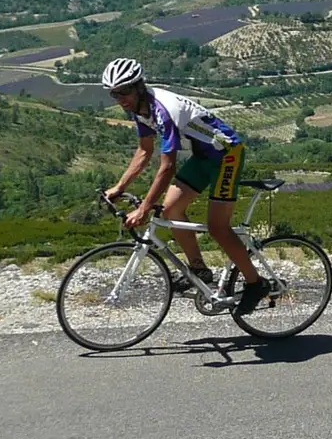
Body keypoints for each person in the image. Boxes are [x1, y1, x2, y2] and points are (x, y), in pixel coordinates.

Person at [99, 58, 268, 313]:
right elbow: (145, 151)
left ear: (139, 86)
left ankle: (256, 283)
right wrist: (119, 186)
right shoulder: (138, 107)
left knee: (218, 227)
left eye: (125, 91)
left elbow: (167, 167)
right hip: (204, 156)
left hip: (227, 154)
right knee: (170, 211)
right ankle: (199, 269)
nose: (121, 98)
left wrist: (144, 208)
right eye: (115, 93)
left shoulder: (163, 110)